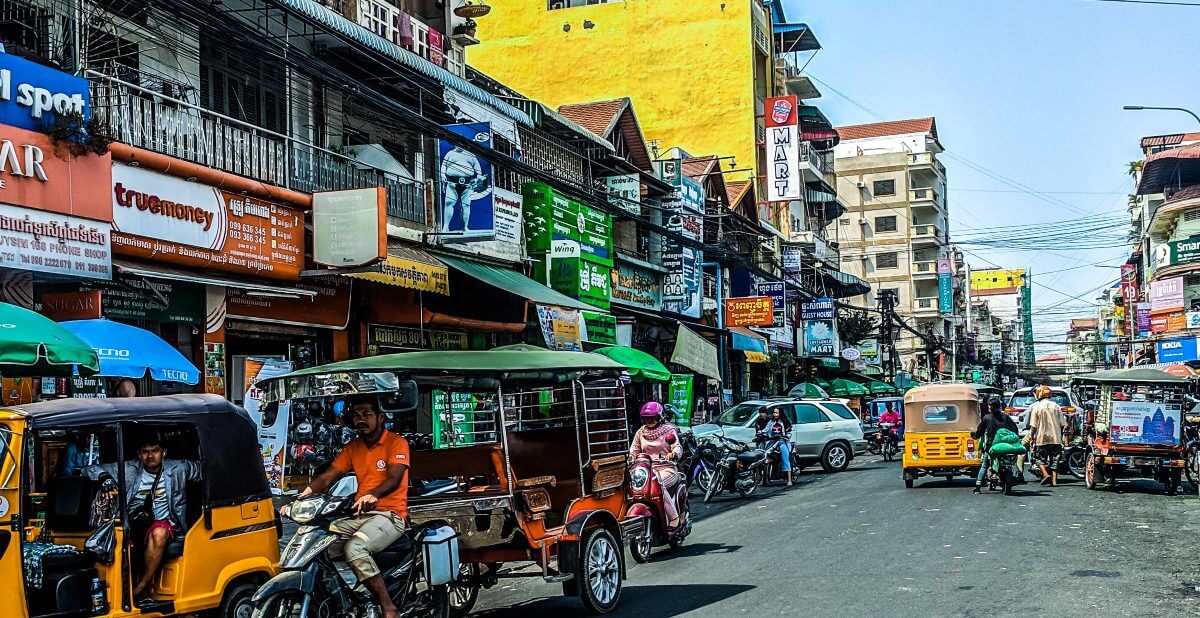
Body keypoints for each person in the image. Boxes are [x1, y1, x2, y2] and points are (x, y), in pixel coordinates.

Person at [295, 396, 410, 618]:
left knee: (355, 549)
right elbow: (328, 477)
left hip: (390, 515)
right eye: (357, 416)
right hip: (360, 515)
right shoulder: (353, 448)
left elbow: (394, 478)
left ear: (380, 417)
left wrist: (372, 495)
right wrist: (302, 497)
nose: (361, 420)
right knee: (316, 547)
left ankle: (388, 607)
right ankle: (342, 600)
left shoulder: (397, 443)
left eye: (366, 414)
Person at [85, 433, 201, 601]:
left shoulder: (178, 468)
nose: (150, 456)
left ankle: (140, 588)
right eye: (145, 452)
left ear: (164, 452)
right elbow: (89, 469)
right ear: (139, 455)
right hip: (132, 524)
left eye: (155, 451)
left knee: (160, 533)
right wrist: (104, 478)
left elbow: (205, 469)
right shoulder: (129, 469)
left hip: (164, 523)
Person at [628, 401, 684, 526]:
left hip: (666, 468)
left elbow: (677, 447)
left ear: (659, 417)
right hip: (646, 471)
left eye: (652, 417)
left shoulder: (668, 430)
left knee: (657, 484)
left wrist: (674, 454)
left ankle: (674, 517)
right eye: (646, 418)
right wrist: (630, 458)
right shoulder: (640, 432)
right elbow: (634, 450)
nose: (649, 421)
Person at [972, 396, 1020, 494]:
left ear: (990, 407)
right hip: (1006, 445)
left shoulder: (987, 418)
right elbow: (1015, 429)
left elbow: (980, 432)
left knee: (985, 465)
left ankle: (977, 486)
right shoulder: (1006, 417)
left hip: (991, 446)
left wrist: (974, 435)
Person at [1028, 385, 1066, 487]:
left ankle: (1045, 474)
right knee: (1055, 459)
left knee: (1038, 458)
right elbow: (1063, 424)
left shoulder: (1036, 408)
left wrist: (1032, 437)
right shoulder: (1056, 407)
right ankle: (1054, 481)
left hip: (1041, 438)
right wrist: (1060, 434)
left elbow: (1033, 426)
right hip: (1055, 438)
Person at [760, 407, 795, 486]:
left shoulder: (785, 422)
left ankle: (789, 479)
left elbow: (789, 432)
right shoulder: (770, 422)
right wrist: (760, 433)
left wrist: (786, 436)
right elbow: (765, 430)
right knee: (764, 455)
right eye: (774, 413)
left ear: (780, 414)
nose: (775, 414)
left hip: (782, 442)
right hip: (772, 442)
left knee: (785, 458)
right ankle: (763, 477)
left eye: (777, 413)